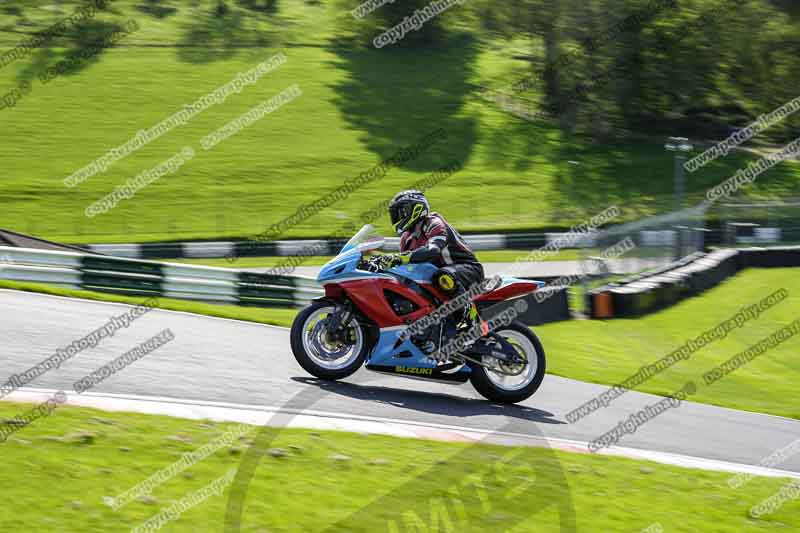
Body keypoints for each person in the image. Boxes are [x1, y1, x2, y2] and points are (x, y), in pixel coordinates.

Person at [384, 190, 487, 360]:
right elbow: (406, 268)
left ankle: (470, 315)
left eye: (401, 212)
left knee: (442, 277)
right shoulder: (406, 238)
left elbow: (433, 249)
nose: (397, 217)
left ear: (415, 209)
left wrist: (400, 258)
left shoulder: (433, 222)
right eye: (395, 213)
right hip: (438, 279)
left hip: (467, 270)